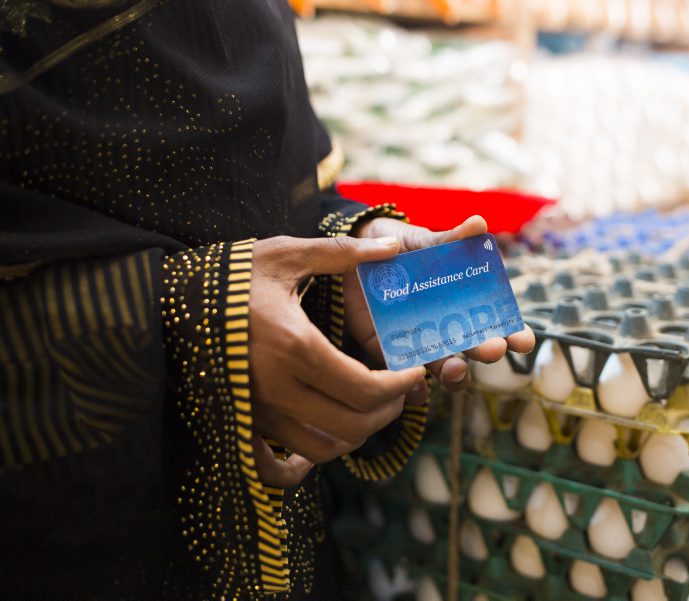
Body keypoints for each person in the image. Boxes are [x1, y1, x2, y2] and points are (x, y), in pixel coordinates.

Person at [0, 1, 535, 598]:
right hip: (84, 542)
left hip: (288, 524)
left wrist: (352, 250)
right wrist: (195, 314)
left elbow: (272, 181)